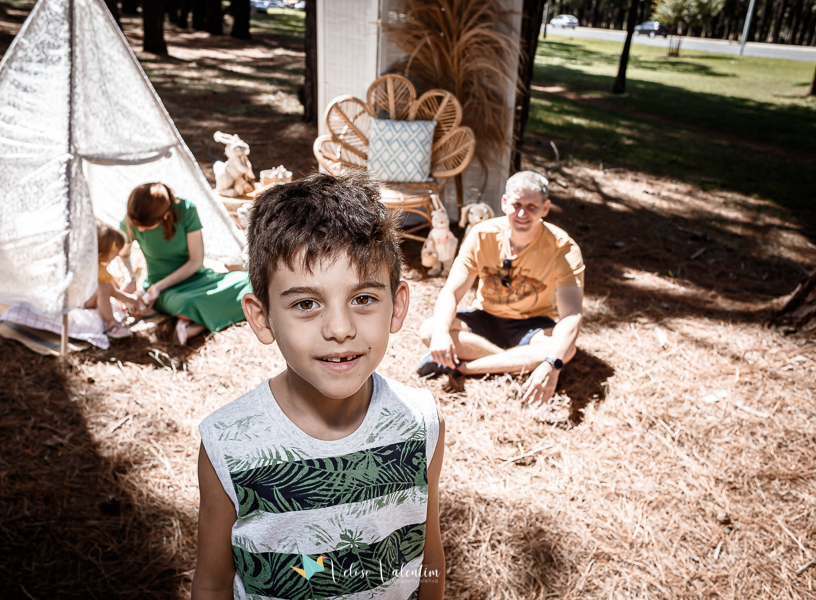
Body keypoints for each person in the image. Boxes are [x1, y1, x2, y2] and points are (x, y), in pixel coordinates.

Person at [192, 173, 445, 600]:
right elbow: (213, 583)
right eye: (306, 304)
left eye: (363, 298)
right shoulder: (228, 444)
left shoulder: (421, 424)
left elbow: (428, 560)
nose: (341, 329)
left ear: (397, 306)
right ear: (262, 316)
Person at [417, 171, 584, 406]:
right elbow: (451, 292)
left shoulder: (563, 248)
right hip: (486, 317)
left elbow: (572, 315)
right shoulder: (482, 235)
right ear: (504, 203)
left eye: (532, 206)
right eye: (516, 204)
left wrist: (553, 362)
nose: (523, 214)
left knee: (564, 349)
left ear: (545, 208)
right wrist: (443, 331)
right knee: (430, 329)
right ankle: (519, 363)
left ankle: (465, 367)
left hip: (532, 324)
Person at [119, 183, 251, 345]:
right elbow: (123, 255)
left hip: (197, 278)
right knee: (185, 304)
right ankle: (195, 324)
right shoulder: (132, 220)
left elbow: (195, 261)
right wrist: (130, 278)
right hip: (165, 290)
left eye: (145, 226)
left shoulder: (186, 210)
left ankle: (196, 324)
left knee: (251, 282)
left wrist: (159, 287)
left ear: (166, 215)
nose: (140, 229)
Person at [85, 222, 138, 339]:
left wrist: (130, 299)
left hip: (85, 299)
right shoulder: (92, 269)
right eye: (114, 254)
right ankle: (112, 324)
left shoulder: (98, 267)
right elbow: (111, 291)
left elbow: (112, 289)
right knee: (103, 289)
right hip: (82, 301)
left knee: (104, 288)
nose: (116, 256)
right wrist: (131, 299)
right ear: (101, 254)